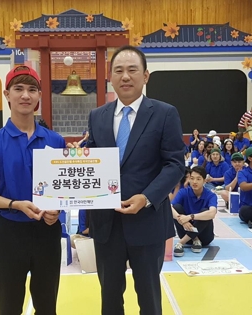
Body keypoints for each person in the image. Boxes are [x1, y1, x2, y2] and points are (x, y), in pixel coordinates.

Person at [86, 45, 186, 315]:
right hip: (106, 225)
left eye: (132, 70)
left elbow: (176, 164)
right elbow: (92, 165)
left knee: (150, 299)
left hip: (148, 221)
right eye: (118, 70)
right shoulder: (97, 116)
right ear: (111, 77)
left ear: (146, 76)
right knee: (109, 299)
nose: (125, 76)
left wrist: (147, 197)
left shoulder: (165, 113)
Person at [0, 65, 66, 314]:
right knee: (10, 305)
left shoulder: (55, 142)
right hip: (10, 234)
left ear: (38, 96)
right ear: (7, 95)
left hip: (47, 232)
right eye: (19, 89)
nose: (26, 95)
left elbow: (63, 188)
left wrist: (56, 209)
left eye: (32, 89)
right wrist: (15, 204)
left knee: (47, 306)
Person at [171, 166, 217, 256]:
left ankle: (180, 243)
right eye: (192, 178)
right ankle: (195, 239)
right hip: (185, 232)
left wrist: (190, 217)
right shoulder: (184, 192)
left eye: (198, 179)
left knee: (205, 211)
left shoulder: (210, 195)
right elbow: (170, 207)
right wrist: (182, 221)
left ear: (204, 181)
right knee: (176, 207)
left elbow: (212, 213)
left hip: (204, 237)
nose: (194, 182)